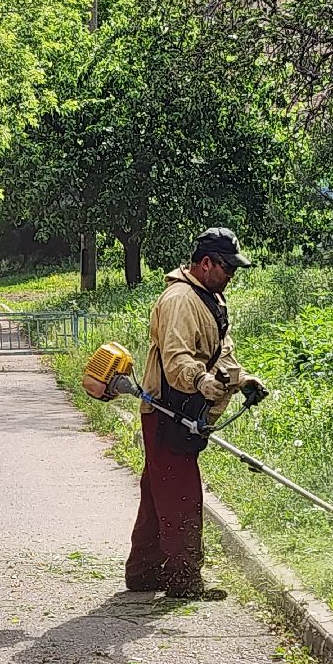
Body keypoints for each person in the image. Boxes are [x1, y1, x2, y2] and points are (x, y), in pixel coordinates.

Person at [125, 227, 267, 598]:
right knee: (183, 495)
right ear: (206, 263)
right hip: (168, 410)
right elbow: (177, 359)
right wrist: (200, 381)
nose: (232, 275)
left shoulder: (212, 299)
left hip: (189, 409)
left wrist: (242, 380)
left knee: (158, 493)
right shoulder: (179, 300)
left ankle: (143, 571)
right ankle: (183, 579)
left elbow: (223, 354)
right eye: (228, 267)